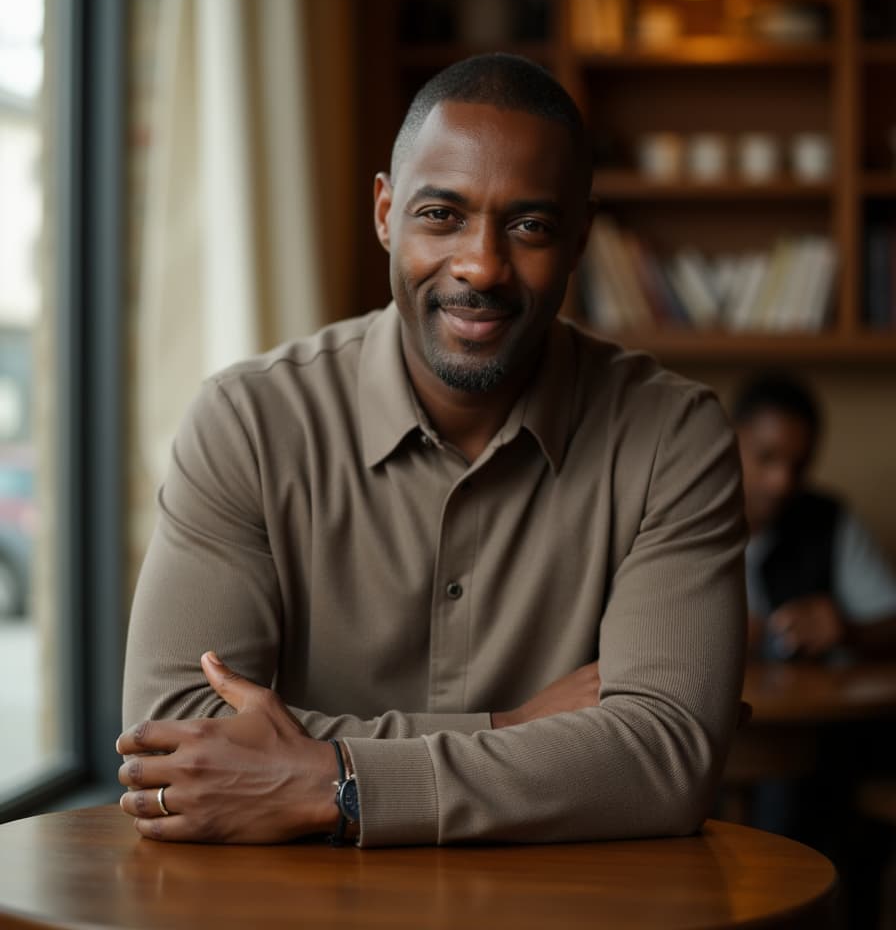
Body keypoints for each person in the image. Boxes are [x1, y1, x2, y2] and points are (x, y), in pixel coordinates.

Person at [118, 53, 747, 847]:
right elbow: (172, 737)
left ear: (582, 236)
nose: (482, 265)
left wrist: (335, 780)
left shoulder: (672, 438)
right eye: (441, 214)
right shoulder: (246, 422)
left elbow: (665, 756)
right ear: (385, 212)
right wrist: (510, 726)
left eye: (530, 225)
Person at [733, 371, 896, 662]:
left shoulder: (829, 519)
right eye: (766, 457)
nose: (781, 482)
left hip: (808, 704)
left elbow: (888, 622)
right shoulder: (679, 516)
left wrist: (847, 630)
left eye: (798, 465)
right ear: (729, 442)